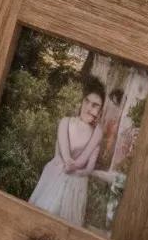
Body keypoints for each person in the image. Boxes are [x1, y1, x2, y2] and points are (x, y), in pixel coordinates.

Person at [27, 74, 106, 226]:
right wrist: (68, 162)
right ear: (82, 102)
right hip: (55, 175)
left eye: (95, 105)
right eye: (87, 102)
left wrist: (74, 168)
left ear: (101, 110)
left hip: (75, 182)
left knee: (63, 226)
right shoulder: (66, 122)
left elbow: (86, 163)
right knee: (41, 218)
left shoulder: (97, 134)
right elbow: (63, 151)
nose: (89, 108)